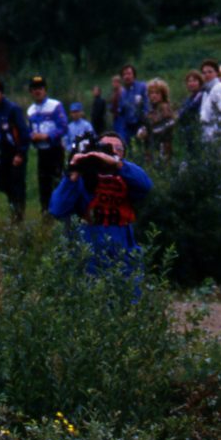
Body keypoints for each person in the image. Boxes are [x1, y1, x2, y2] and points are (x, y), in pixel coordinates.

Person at [47, 130, 153, 284]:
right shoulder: (83, 179)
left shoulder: (128, 176)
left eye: (118, 148)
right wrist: (74, 172)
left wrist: (117, 164)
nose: (112, 150)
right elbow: (57, 209)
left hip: (123, 246)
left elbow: (146, 186)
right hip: (90, 245)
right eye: (106, 146)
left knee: (128, 293)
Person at [0, 79, 30, 221]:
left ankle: (18, 215)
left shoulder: (12, 109)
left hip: (15, 152)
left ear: (2, 93)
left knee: (17, 184)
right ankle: (13, 210)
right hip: (1, 153)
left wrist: (20, 153)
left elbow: (24, 133)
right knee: (4, 184)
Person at [25, 76, 68, 214]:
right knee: (43, 182)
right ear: (31, 92)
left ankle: (60, 210)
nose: (38, 91)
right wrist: (31, 136)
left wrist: (47, 136)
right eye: (34, 89)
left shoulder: (55, 105)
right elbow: (29, 130)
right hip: (41, 151)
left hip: (55, 149)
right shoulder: (30, 110)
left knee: (57, 180)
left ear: (45, 90)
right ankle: (45, 211)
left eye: (40, 88)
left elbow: (63, 127)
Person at [199, 59, 221, 166]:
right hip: (207, 135)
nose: (207, 75)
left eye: (210, 72)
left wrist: (217, 132)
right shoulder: (206, 91)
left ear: (216, 73)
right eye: (204, 72)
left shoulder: (219, 87)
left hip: (219, 136)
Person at [139, 78, 176, 160]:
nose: (154, 95)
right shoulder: (151, 110)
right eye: (151, 93)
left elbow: (167, 127)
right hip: (152, 148)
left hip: (164, 147)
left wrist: (149, 132)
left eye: (157, 93)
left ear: (163, 94)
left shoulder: (165, 108)